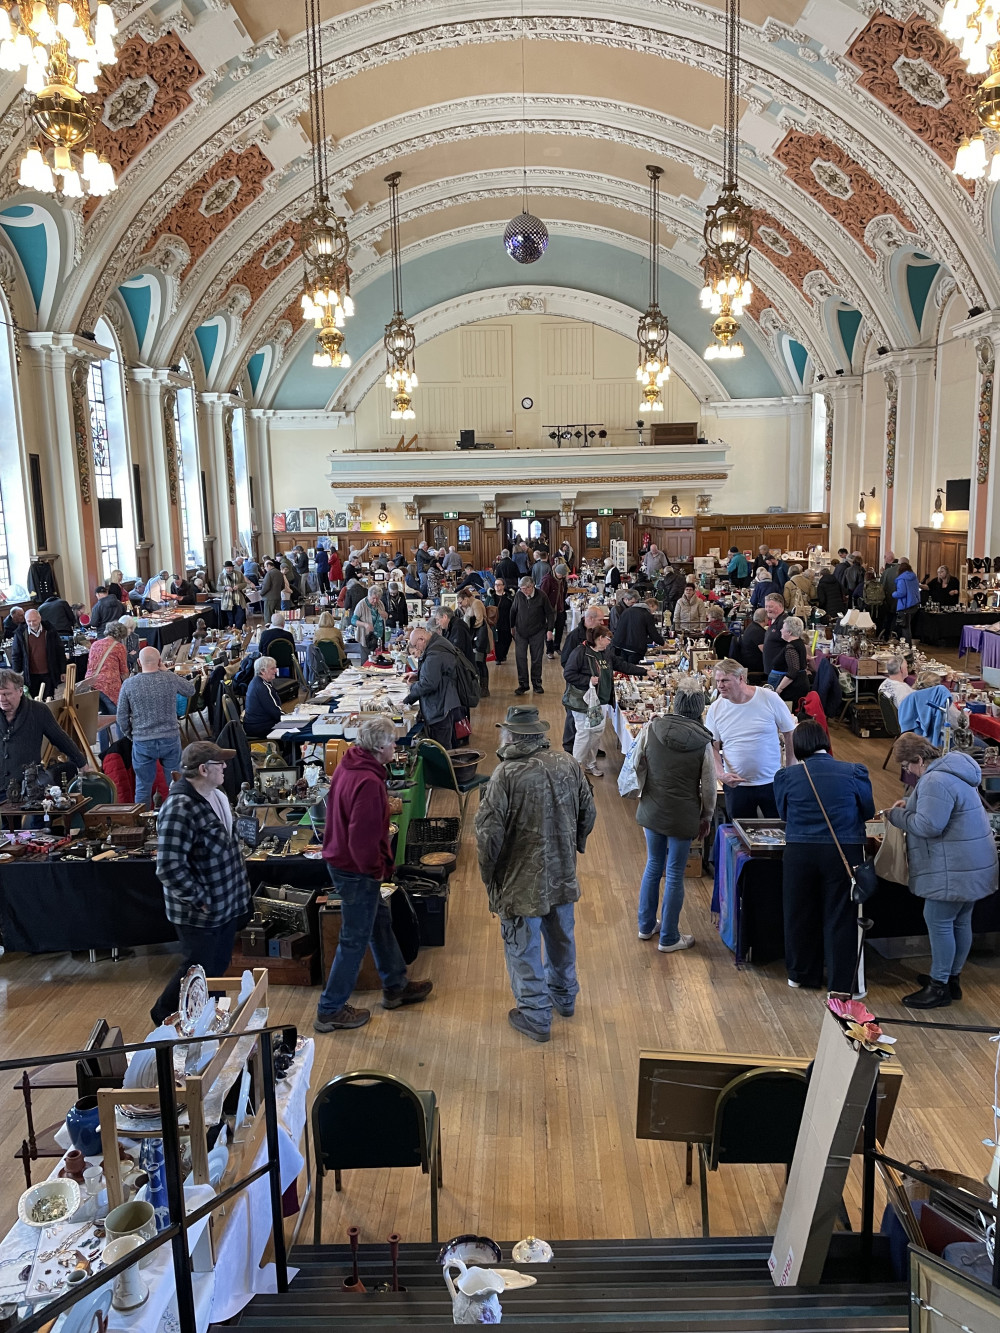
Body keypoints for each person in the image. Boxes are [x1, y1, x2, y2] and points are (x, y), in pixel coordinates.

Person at [474, 705, 596, 1042]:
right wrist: (573, 848)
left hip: (520, 883)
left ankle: (536, 1015)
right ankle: (565, 998)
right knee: (561, 938)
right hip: (562, 875)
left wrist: (490, 878)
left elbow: (488, 836)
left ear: (511, 735)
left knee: (523, 948)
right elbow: (589, 812)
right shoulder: (568, 764)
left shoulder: (506, 775)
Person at [315, 715, 433, 1030]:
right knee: (354, 940)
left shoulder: (350, 764)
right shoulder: (368, 782)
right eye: (393, 741)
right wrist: (377, 871)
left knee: (379, 923)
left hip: (343, 862)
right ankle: (330, 1009)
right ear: (380, 747)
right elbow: (362, 839)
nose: (396, 745)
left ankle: (395, 985)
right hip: (356, 870)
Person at [886, 732, 998, 1008]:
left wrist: (897, 815)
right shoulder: (954, 770)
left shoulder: (935, 779)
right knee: (960, 921)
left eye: (908, 766)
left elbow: (928, 826)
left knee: (939, 921)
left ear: (919, 760)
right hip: (971, 862)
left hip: (953, 866)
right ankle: (951, 980)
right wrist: (910, 805)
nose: (908, 772)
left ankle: (939, 988)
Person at [150, 741, 251, 1025]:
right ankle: (164, 1016)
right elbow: (169, 866)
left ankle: (207, 1020)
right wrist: (200, 899)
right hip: (200, 914)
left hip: (225, 908)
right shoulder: (179, 807)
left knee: (216, 970)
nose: (226, 767)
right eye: (220, 763)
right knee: (196, 972)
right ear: (204, 769)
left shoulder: (216, 797)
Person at [773, 721, 874, 994]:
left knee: (799, 912)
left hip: (799, 850)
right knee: (841, 916)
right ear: (826, 742)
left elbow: (783, 814)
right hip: (844, 849)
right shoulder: (854, 771)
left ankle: (801, 974)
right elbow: (867, 810)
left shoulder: (786, 776)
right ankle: (843, 984)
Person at [634, 678, 716, 952]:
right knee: (674, 873)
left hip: (653, 807)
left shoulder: (653, 727)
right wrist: (706, 816)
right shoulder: (703, 742)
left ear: (677, 703)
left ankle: (646, 926)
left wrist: (645, 790)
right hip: (684, 813)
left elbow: (638, 763)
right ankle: (669, 937)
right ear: (699, 708)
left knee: (653, 865)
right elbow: (708, 786)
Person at [706, 658, 797, 819]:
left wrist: (790, 770)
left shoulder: (769, 698)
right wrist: (720, 774)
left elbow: (789, 733)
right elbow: (712, 745)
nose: (720, 685)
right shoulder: (716, 708)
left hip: (772, 783)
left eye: (725, 680)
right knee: (739, 836)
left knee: (779, 832)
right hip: (737, 786)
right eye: (718, 680)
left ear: (741, 678)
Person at [116, 646, 195, 808]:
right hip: (170, 738)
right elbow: (190, 689)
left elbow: (121, 717)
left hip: (142, 740)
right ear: (160, 661)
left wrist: (132, 735)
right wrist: (167, 671)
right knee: (176, 784)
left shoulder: (129, 684)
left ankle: (143, 826)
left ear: (139, 662)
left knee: (143, 787)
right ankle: (176, 818)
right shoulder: (169, 679)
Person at [563, 625, 645, 776]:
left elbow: (622, 665)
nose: (610, 642)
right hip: (582, 702)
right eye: (608, 639)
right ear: (600, 639)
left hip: (601, 701)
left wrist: (645, 671)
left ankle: (590, 764)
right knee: (583, 733)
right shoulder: (580, 652)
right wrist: (588, 680)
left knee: (596, 733)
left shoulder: (606, 653)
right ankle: (575, 769)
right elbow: (568, 674)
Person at [0, 667, 89, 794]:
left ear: (20, 691)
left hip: (30, 785)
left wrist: (82, 763)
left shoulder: (38, 711)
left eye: (6, 694)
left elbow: (60, 738)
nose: (2, 699)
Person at [403, 625, 462, 748]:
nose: (416, 651)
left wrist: (411, 688)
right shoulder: (436, 644)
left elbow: (429, 684)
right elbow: (435, 673)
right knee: (444, 744)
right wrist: (418, 676)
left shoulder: (434, 652)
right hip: (443, 703)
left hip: (440, 708)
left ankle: (445, 767)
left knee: (441, 748)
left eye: (415, 646)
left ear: (421, 639)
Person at [510, 576, 554, 696]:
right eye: (521, 589)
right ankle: (523, 684)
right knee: (520, 658)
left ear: (531, 586)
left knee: (536, 658)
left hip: (537, 631)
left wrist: (550, 630)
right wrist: (512, 627)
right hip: (521, 632)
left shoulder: (542, 596)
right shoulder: (519, 595)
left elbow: (550, 613)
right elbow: (513, 611)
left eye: (525, 589)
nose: (523, 591)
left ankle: (537, 684)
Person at [10, 608, 66, 698]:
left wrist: (63, 670)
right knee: (33, 700)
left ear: (39, 618)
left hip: (48, 672)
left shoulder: (50, 631)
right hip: (31, 675)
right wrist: (16, 675)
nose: (32, 624)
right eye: (29, 621)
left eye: (34, 620)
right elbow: (16, 655)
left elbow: (59, 651)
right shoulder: (20, 633)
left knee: (49, 698)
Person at [84, 620, 130, 708]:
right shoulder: (119, 647)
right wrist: (128, 684)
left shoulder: (95, 644)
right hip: (109, 685)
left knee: (97, 712)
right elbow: (123, 671)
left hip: (91, 682)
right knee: (114, 713)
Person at [612, 589, 665, 664]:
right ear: (650, 606)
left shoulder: (627, 611)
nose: (653, 612)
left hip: (621, 647)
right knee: (634, 670)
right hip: (635, 648)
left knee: (625, 670)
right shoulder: (646, 615)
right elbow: (653, 633)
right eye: (654, 610)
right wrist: (663, 643)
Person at [457, 587, 490, 697]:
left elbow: (479, 622)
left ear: (466, 598)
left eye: (461, 602)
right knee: (475, 663)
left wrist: (467, 628)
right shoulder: (466, 606)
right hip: (473, 637)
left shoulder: (476, 603)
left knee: (480, 662)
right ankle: (478, 688)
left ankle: (484, 688)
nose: (460, 604)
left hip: (480, 637)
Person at [772, 616, 810, 706]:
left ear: (789, 632)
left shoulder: (791, 647)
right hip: (798, 684)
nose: (781, 630)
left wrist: (779, 689)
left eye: (783, 628)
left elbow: (793, 671)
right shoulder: (799, 643)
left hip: (792, 688)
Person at [243, 656, 282, 737]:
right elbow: (275, 712)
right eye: (272, 668)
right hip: (260, 727)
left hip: (254, 725)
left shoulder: (255, 682)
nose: (275, 671)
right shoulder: (262, 687)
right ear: (262, 671)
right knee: (297, 732)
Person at [540, 563, 568, 658]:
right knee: (549, 630)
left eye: (563, 575)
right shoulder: (547, 580)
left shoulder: (563, 580)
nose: (562, 577)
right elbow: (543, 595)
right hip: (550, 610)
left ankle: (557, 647)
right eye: (560, 575)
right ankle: (549, 651)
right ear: (556, 572)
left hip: (560, 608)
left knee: (560, 629)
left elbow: (564, 592)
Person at [893, 557, 921, 644]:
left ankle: (907, 647)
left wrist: (893, 594)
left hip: (905, 606)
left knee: (905, 628)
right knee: (908, 626)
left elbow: (901, 593)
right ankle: (907, 645)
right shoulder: (914, 577)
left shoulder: (901, 579)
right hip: (914, 604)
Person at [760, 593, 789, 677]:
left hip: (780, 672)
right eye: (766, 606)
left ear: (780, 606)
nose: (767, 609)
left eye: (770, 606)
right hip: (772, 670)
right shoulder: (774, 620)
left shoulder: (784, 622)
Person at [353, 585, 388, 651]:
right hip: (367, 639)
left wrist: (386, 615)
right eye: (373, 598)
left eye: (377, 598)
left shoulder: (380, 603)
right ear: (369, 595)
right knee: (366, 660)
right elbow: (353, 620)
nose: (375, 601)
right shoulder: (361, 605)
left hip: (380, 638)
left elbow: (385, 618)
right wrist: (365, 624)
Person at [736, 607, 768, 674]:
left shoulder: (751, 626)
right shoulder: (758, 632)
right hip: (754, 665)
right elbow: (766, 652)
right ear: (765, 619)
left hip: (746, 661)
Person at [217, 560, 247, 629]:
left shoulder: (239, 574)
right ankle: (232, 632)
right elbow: (218, 587)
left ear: (233, 568)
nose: (228, 569)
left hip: (238, 599)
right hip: (227, 600)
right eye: (227, 568)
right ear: (225, 568)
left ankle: (239, 630)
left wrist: (238, 586)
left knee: (240, 616)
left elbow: (244, 583)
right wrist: (225, 587)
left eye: (230, 568)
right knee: (230, 618)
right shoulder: (221, 576)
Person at [491, 577, 514, 665]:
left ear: (503, 586)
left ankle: (503, 654)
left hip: (507, 621)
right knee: (497, 640)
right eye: (495, 584)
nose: (497, 586)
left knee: (507, 639)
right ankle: (498, 658)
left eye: (499, 584)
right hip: (495, 622)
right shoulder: (491, 597)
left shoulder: (509, 597)